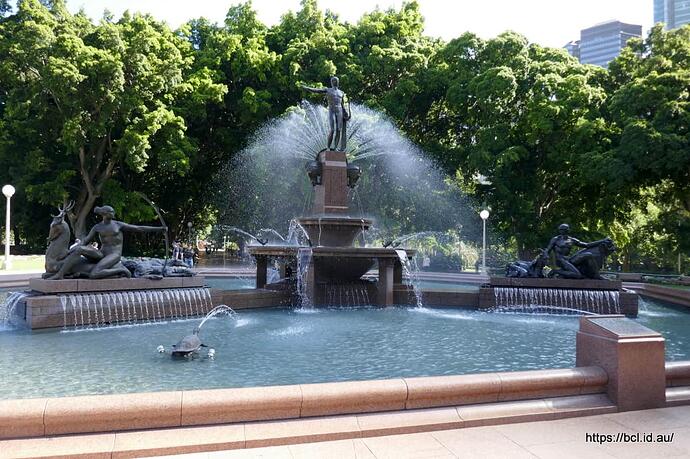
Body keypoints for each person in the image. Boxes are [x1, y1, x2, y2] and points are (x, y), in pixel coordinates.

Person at [49, 205, 166, 279]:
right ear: (104, 214)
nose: (113, 214)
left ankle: (120, 270)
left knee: (94, 274)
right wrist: (71, 251)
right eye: (111, 212)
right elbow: (85, 241)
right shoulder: (97, 227)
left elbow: (139, 228)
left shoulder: (118, 225)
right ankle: (60, 274)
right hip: (102, 253)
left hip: (113, 255)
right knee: (79, 249)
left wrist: (159, 229)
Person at [301, 76, 349, 151]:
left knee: (339, 130)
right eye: (333, 80)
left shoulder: (341, 92)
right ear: (331, 82)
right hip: (331, 110)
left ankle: (335, 148)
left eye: (336, 80)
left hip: (339, 111)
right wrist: (307, 88)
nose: (335, 82)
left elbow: (342, 104)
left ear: (338, 82)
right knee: (332, 130)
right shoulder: (328, 90)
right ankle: (328, 147)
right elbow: (317, 90)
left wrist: (345, 112)